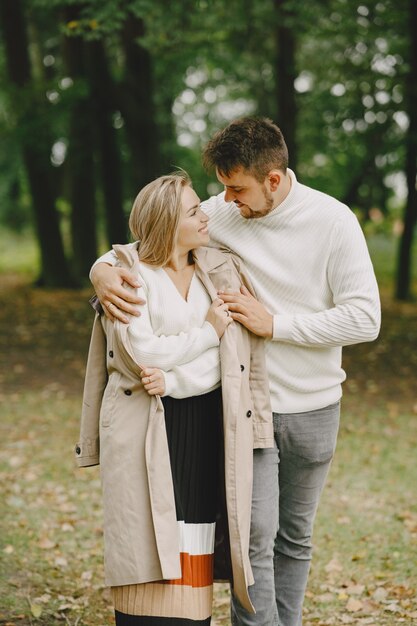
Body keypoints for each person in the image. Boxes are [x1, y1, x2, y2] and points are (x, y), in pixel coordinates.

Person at [90, 117, 381, 626]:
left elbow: (365, 318)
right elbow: (153, 234)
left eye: (237, 188)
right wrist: (101, 268)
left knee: (295, 539)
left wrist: (277, 324)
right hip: (250, 409)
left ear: (273, 179)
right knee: (251, 543)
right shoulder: (222, 211)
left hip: (315, 409)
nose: (224, 200)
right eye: (222, 187)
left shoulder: (334, 222)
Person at [76, 170, 274, 625]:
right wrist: (207, 330)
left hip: (202, 423)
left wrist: (177, 378)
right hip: (147, 423)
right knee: (147, 537)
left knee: (193, 539)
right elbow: (141, 351)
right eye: (192, 211)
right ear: (167, 222)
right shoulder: (130, 275)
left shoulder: (213, 272)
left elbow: (226, 362)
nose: (205, 214)